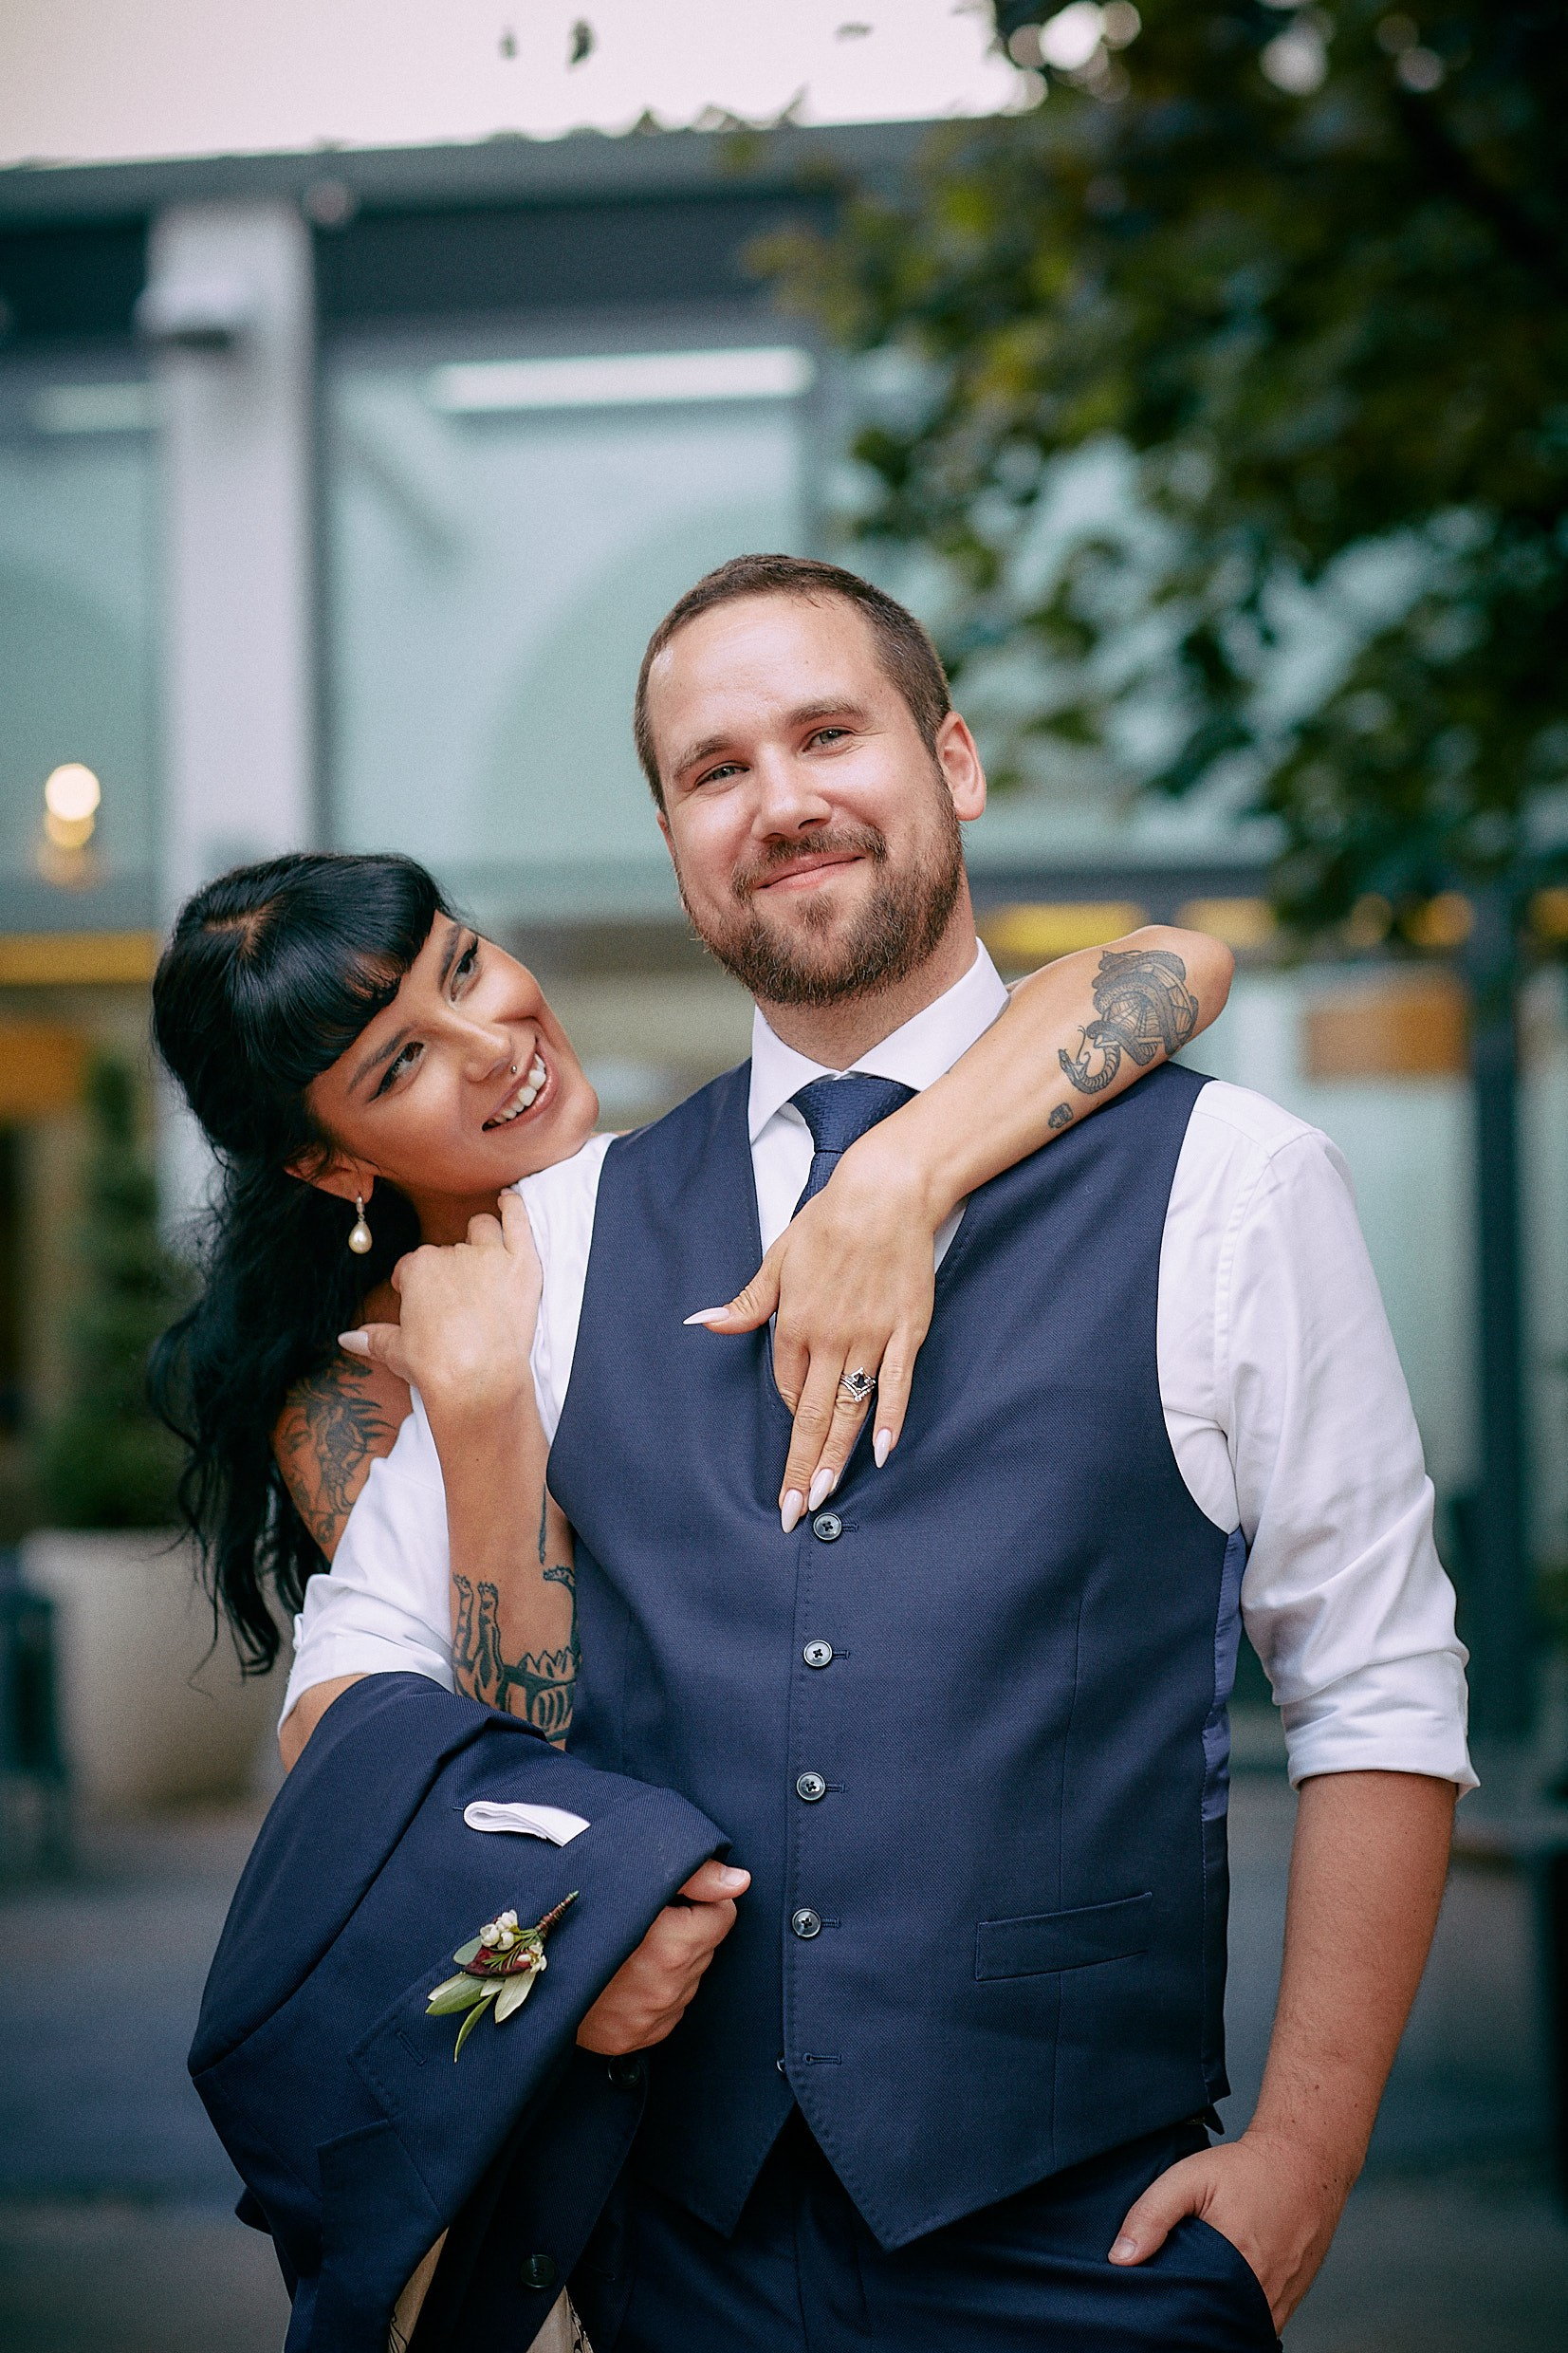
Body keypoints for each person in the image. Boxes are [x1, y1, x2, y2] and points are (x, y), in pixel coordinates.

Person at [247, 555, 1474, 2346]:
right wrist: (554, 1923)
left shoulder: (1234, 1185)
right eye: (714, 769)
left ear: (954, 764)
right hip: (672, 2244)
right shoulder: (547, 1244)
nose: (782, 802)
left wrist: (1306, 2153)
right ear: (673, 838)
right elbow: (359, 1680)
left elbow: (1375, 1684)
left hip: (1094, 2244)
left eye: (829, 733)